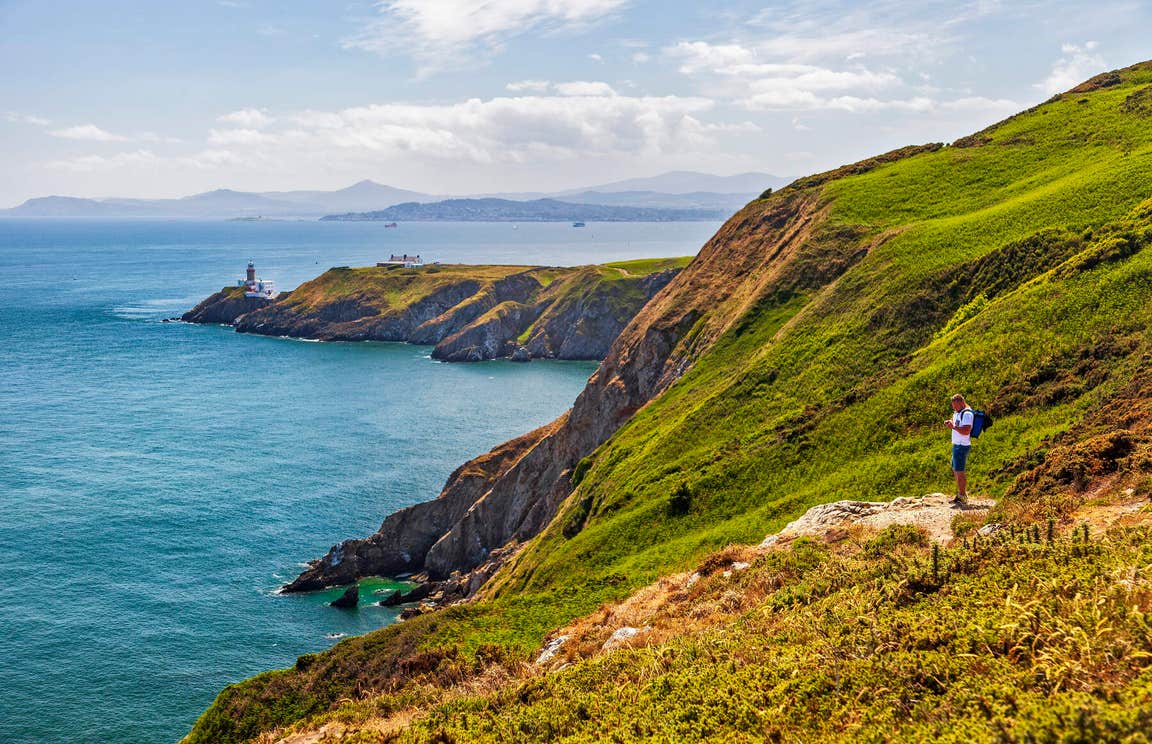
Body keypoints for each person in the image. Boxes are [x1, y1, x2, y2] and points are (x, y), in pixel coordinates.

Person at [945, 394, 974, 505]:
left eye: (955, 406)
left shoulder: (967, 414)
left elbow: (966, 430)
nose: (954, 408)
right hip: (957, 445)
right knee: (955, 469)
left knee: (959, 471)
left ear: (961, 402)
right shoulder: (958, 413)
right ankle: (961, 494)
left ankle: (962, 496)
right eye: (953, 406)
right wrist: (950, 423)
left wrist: (953, 427)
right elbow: (956, 423)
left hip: (962, 445)